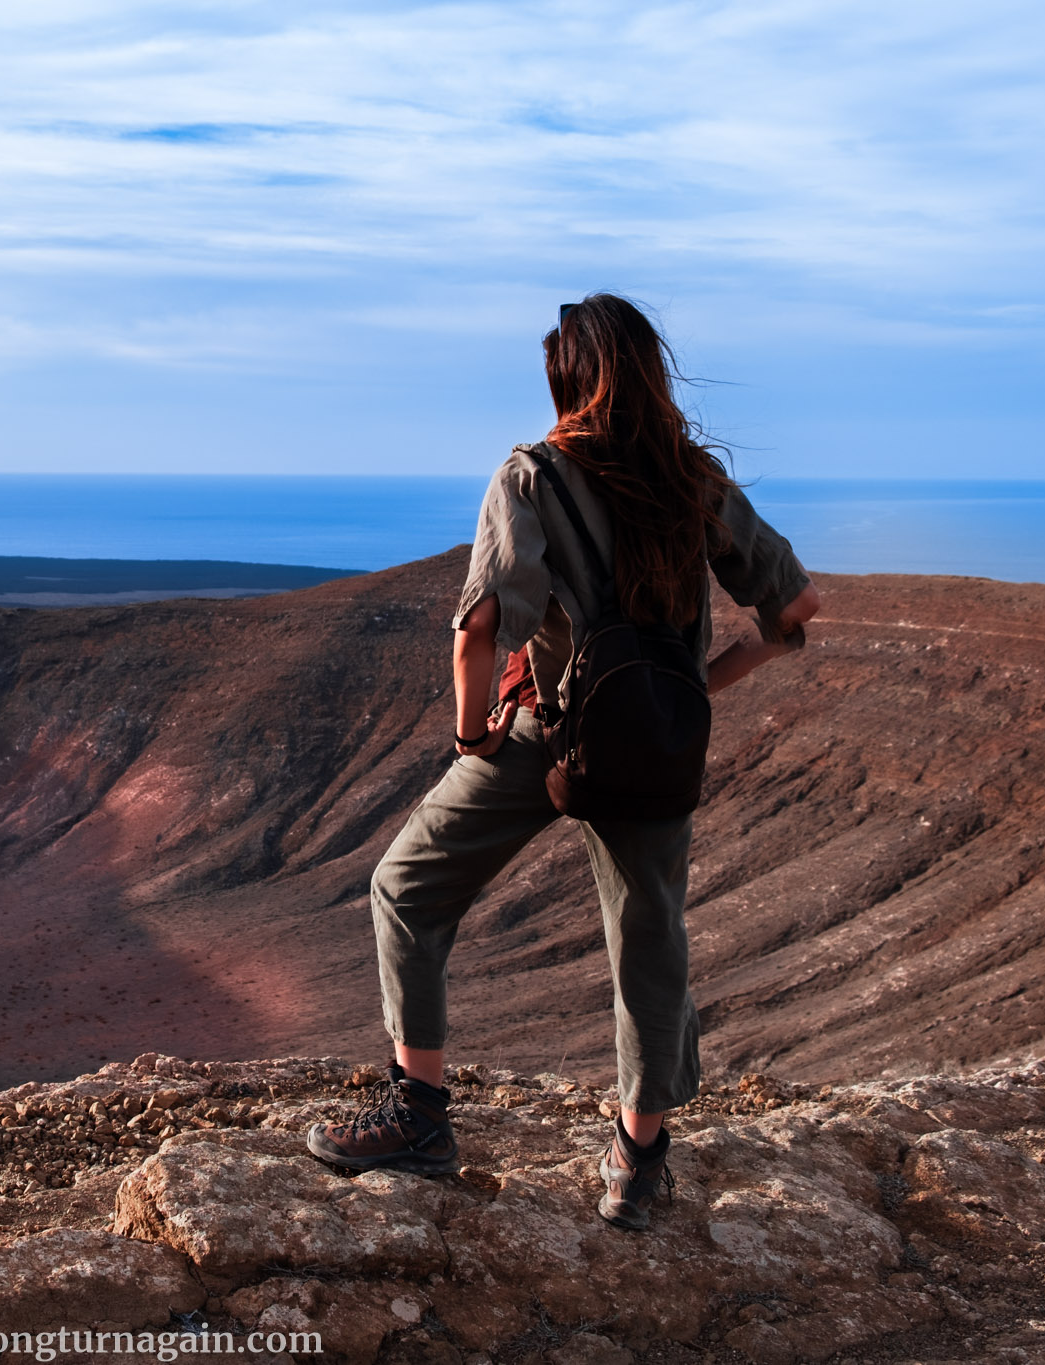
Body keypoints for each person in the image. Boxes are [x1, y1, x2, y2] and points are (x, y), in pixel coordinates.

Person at [305, 294, 821, 1230]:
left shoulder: (534, 475)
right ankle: (638, 1161)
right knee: (650, 946)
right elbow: (794, 613)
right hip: (659, 741)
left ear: (565, 380)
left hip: (547, 733)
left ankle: (420, 1115)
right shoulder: (692, 480)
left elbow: (478, 629)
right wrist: (699, 686)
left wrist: (472, 736)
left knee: (406, 888)